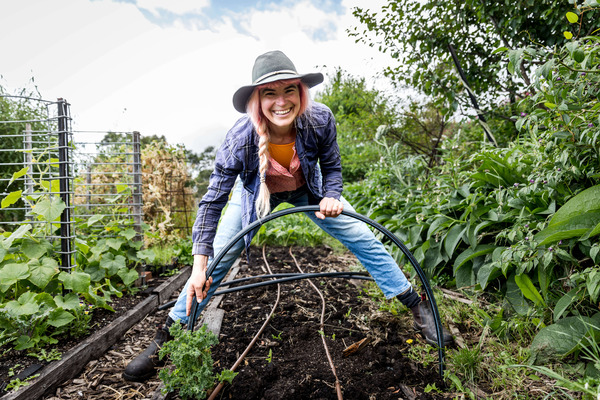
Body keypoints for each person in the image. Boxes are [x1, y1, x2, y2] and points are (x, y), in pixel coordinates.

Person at [123, 50, 452, 382]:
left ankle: (416, 304)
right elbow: (211, 203)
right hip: (255, 195)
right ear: (257, 99)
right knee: (216, 261)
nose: (281, 101)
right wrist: (198, 267)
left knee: (361, 234)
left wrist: (332, 196)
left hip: (308, 189)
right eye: (269, 93)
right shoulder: (241, 139)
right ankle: (165, 340)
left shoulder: (320, 119)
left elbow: (333, 168)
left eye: (288, 90)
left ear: (300, 92)